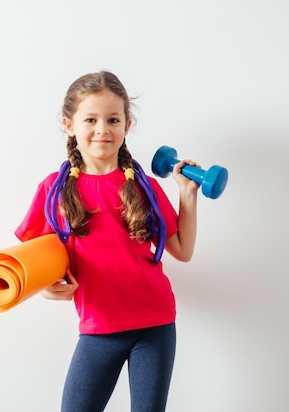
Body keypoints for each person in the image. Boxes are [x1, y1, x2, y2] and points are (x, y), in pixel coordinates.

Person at [15, 70, 200, 412]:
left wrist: (187, 194)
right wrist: (45, 287)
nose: (103, 129)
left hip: (155, 325)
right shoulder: (52, 190)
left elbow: (182, 251)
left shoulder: (143, 186)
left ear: (126, 126)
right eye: (91, 119)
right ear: (69, 125)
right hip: (99, 329)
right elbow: (31, 263)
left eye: (113, 119)